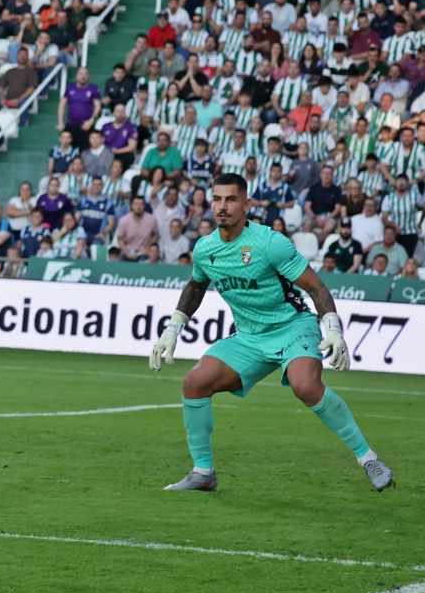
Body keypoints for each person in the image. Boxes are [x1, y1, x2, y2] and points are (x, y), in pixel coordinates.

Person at [150, 173, 393, 492]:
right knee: (194, 383)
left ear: (246, 204)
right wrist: (173, 328)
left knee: (305, 386)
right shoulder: (205, 248)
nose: (223, 207)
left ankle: (369, 458)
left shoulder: (269, 243)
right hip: (249, 337)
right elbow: (196, 285)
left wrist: (332, 328)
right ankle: (203, 473)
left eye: (231, 199)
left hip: (293, 326)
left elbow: (316, 287)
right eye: (217, 199)